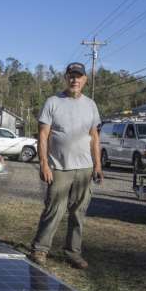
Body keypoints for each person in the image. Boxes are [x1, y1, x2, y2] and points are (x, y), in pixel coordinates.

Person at [29, 62, 103, 270]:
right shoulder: (53, 102)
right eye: (71, 76)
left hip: (85, 168)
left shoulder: (91, 105)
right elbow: (43, 135)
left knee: (79, 212)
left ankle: (73, 253)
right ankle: (40, 249)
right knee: (54, 209)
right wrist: (44, 163)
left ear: (85, 80)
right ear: (66, 78)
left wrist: (97, 165)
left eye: (79, 76)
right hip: (59, 167)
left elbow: (95, 137)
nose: (75, 80)